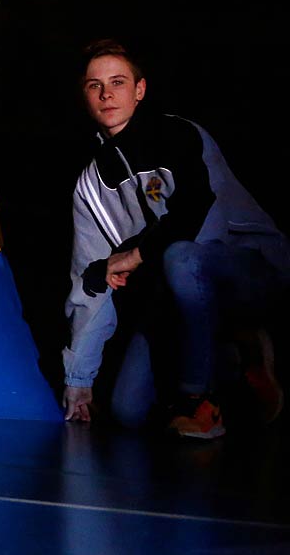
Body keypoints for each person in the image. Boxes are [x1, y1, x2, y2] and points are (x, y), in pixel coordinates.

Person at [61, 40, 286, 438]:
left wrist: (137, 255)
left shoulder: (181, 135)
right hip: (175, 290)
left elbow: (204, 230)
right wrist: (79, 379)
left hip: (245, 270)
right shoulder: (90, 187)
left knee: (182, 259)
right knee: (127, 411)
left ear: (140, 90)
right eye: (95, 85)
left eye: (118, 82)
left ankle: (198, 401)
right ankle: (235, 355)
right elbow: (90, 280)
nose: (107, 94)